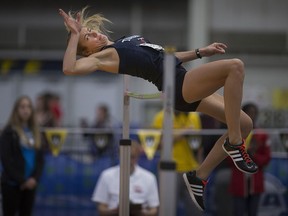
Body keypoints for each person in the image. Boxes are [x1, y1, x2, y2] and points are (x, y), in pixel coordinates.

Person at [59, 6, 258, 211]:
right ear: (88, 51)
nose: (93, 33)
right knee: (235, 66)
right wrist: (74, 35)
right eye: (87, 37)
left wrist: (200, 52)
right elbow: (69, 68)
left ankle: (198, 176)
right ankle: (234, 143)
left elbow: (166, 57)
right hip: (181, 86)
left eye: (89, 31)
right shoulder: (102, 57)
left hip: (181, 78)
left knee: (245, 124)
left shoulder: (124, 42)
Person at [152, 110, 203, 215]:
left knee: (196, 210)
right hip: (169, 170)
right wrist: (182, 133)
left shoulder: (194, 116)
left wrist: (200, 167)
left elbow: (198, 145)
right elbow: (156, 145)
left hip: (192, 169)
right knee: (167, 210)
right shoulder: (161, 117)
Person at [0, 96, 45, 216]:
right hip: (12, 184)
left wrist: (34, 179)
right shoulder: (8, 132)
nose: (26, 110)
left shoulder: (36, 132)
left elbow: (40, 160)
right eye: (22, 107)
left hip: (30, 185)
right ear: (16, 110)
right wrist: (22, 180)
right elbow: (6, 160)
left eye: (29, 107)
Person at [91, 140, 159, 216]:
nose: (128, 161)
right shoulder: (107, 175)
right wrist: (115, 211)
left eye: (132, 157)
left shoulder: (149, 178)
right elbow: (101, 209)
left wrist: (140, 213)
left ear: (138, 157)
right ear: (120, 156)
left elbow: (154, 210)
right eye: (125, 157)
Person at [228, 103, 271, 216]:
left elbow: (266, 159)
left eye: (254, 113)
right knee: (238, 212)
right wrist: (243, 153)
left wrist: (253, 154)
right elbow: (228, 159)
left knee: (253, 213)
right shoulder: (234, 134)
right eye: (249, 113)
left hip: (255, 182)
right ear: (243, 115)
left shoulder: (261, 135)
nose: (252, 116)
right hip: (239, 182)